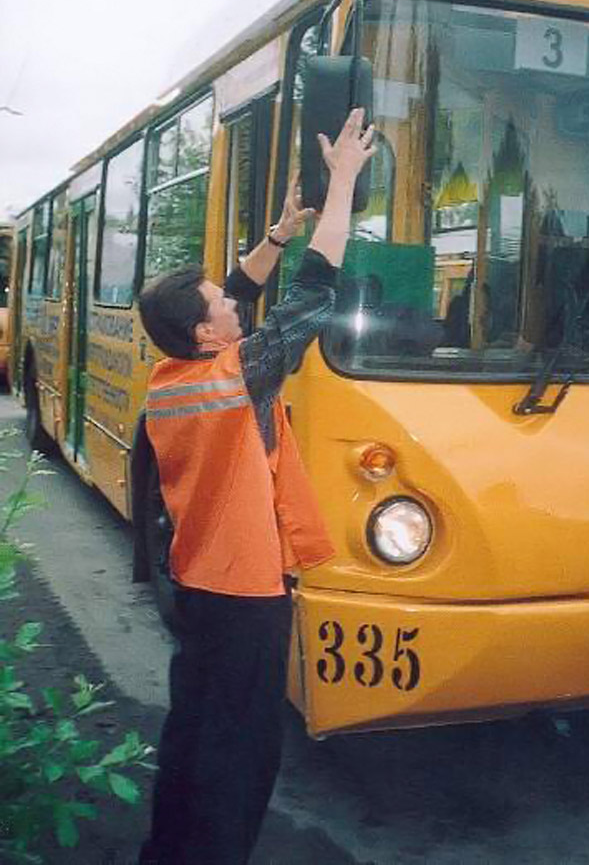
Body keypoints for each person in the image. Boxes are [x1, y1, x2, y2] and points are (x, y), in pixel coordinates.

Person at [136, 108, 376, 865]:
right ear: (210, 335)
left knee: (193, 731)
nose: (236, 303)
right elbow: (318, 283)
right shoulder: (238, 377)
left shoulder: (173, 377)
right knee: (240, 755)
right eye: (223, 307)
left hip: (196, 581)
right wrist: (341, 182)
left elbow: (244, 286)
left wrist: (277, 229)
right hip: (244, 592)